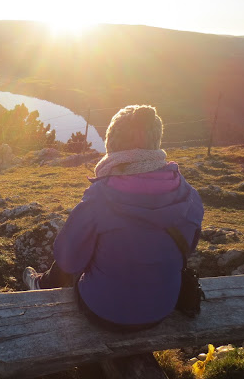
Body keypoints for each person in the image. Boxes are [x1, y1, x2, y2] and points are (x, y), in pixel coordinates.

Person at [23, 104, 204, 331]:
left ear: (113, 146)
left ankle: (41, 285)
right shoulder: (189, 195)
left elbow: (68, 259)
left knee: (77, 247)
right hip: (161, 309)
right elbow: (189, 248)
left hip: (104, 312)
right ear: (155, 142)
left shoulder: (101, 197)